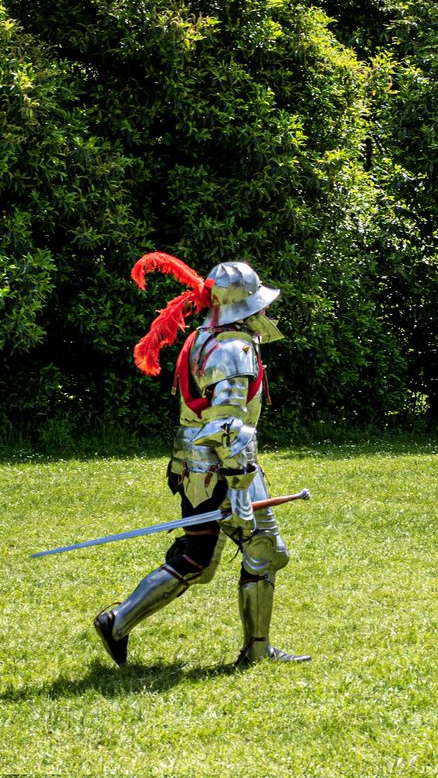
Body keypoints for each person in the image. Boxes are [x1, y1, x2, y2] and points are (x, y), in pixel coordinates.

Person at [93, 253, 310, 667]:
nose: (264, 308)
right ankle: (256, 651)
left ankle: (118, 621)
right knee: (262, 548)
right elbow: (227, 425)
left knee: (198, 557)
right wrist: (242, 484)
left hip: (196, 464)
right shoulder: (233, 348)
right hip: (221, 465)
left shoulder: (203, 338)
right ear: (241, 304)